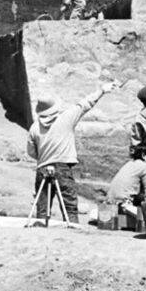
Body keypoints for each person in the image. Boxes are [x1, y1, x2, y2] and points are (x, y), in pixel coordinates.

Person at [27, 80, 118, 222]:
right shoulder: (66, 118)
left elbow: (31, 152)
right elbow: (85, 104)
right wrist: (102, 90)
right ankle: (72, 229)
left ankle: (41, 230)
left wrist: (44, 156)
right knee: (69, 206)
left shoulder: (34, 127)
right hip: (63, 167)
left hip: (42, 168)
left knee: (42, 207)